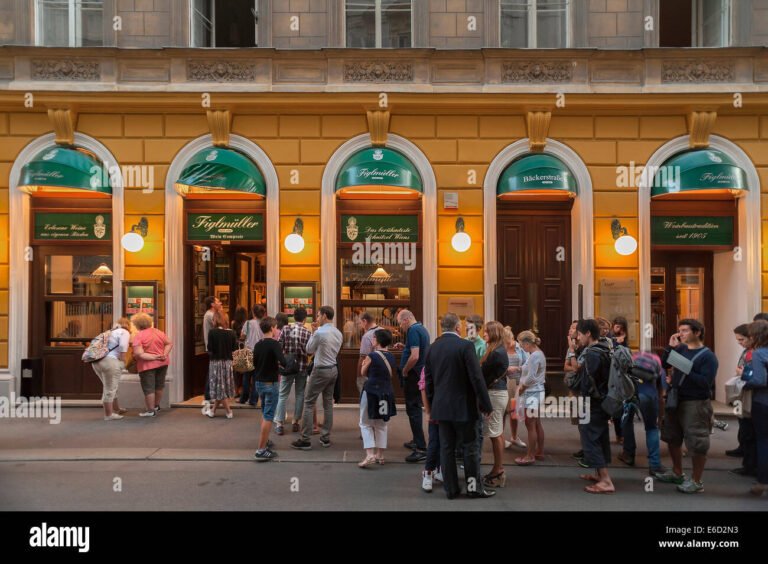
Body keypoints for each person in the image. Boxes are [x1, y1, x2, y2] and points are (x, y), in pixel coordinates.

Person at [425, 312, 494, 499]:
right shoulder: (465, 346)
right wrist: (486, 404)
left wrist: (431, 407)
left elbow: (429, 382)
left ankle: (451, 489)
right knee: (470, 449)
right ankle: (473, 488)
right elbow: (476, 378)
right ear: (458, 328)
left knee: (446, 448)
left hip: (442, 407)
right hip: (465, 407)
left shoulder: (432, 348)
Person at [655, 318, 719, 493]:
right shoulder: (682, 348)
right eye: (680, 330)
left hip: (695, 402)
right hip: (676, 399)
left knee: (697, 441)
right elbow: (665, 364)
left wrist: (684, 367)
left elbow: (705, 383)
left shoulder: (708, 356)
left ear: (697, 332)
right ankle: (677, 472)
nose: (680, 334)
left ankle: (697, 481)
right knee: (672, 436)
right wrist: (670, 347)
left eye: (685, 331)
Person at [292, 306, 343, 450]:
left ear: (325, 316)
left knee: (308, 402)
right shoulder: (338, 332)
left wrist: (314, 332)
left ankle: (305, 439)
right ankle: (325, 437)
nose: (317, 318)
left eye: (319, 315)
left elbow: (309, 349)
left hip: (320, 369)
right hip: (333, 368)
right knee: (328, 404)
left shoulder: (320, 332)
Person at [575, 318, 615, 494]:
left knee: (590, 438)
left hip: (592, 402)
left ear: (588, 333)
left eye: (579, 334)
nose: (577, 338)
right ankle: (600, 474)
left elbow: (588, 381)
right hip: (603, 401)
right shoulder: (605, 349)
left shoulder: (592, 353)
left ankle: (606, 480)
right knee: (600, 437)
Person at [617, 350, 667, 476]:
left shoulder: (632, 360)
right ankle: (654, 465)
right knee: (651, 428)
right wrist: (661, 416)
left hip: (631, 396)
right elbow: (661, 394)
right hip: (649, 396)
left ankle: (628, 455)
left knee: (627, 423)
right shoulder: (658, 363)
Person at [358, 329, 398, 468]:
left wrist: (364, 365)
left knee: (365, 423)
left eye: (374, 338)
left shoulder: (372, 355)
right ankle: (380, 455)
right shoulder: (391, 356)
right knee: (381, 424)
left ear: (378, 340)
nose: (372, 340)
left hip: (371, 392)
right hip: (386, 393)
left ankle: (369, 454)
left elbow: (363, 372)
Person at [395, 309, 430, 462]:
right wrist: (405, 347)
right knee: (414, 408)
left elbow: (415, 356)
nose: (401, 327)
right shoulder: (422, 329)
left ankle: (421, 448)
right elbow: (417, 351)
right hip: (419, 373)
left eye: (400, 323)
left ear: (406, 319)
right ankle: (417, 440)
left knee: (413, 409)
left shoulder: (413, 330)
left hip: (413, 375)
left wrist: (404, 370)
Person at [252, 317, 286, 462]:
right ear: (272, 328)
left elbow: (254, 363)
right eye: (276, 327)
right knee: (269, 415)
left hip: (259, 382)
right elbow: (283, 362)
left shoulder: (258, 344)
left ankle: (265, 441)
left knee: (265, 412)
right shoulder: (274, 344)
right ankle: (260, 450)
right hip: (270, 383)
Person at [274, 307, 312, 436]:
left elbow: (279, 346)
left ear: (293, 317)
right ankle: (295, 421)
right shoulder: (307, 332)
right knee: (300, 394)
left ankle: (279, 423)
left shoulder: (285, 329)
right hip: (301, 366)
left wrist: (283, 358)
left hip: (288, 366)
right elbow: (310, 351)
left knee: (282, 394)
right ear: (305, 318)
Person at [481, 321, 509, 488]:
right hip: (496, 392)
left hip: (495, 393)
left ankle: (498, 471)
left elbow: (484, 375)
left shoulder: (496, 353)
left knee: (495, 433)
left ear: (493, 333)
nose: (483, 334)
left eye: (486, 331)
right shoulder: (496, 350)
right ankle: (497, 469)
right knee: (496, 432)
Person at [727, 324, 757, 477]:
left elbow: (752, 374)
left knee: (748, 431)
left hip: (749, 396)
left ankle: (750, 466)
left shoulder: (754, 353)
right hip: (747, 395)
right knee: (746, 429)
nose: (740, 343)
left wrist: (742, 372)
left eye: (741, 339)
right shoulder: (749, 351)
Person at [131, 313, 173, 417]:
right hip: (163, 363)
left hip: (147, 366)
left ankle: (150, 411)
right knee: (159, 386)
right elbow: (169, 343)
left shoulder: (139, 336)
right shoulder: (158, 332)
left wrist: (154, 357)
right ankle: (156, 406)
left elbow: (139, 354)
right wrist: (164, 354)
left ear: (137, 324)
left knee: (148, 388)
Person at [515, 330, 546, 466]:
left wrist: (522, 388)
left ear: (527, 343)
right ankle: (539, 451)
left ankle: (530, 455)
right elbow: (527, 368)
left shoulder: (534, 356)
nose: (521, 347)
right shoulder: (537, 353)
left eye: (521, 344)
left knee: (530, 424)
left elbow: (532, 377)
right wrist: (517, 369)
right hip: (537, 391)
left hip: (532, 393)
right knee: (536, 423)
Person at [91, 317, 132, 420]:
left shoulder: (110, 332)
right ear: (128, 325)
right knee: (110, 388)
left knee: (110, 386)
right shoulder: (124, 332)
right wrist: (123, 361)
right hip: (110, 362)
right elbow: (123, 346)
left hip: (97, 361)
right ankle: (108, 415)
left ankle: (116, 408)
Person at [744, 320, 768, 495]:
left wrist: (744, 383)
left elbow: (759, 380)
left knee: (763, 442)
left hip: (763, 402)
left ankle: (763, 482)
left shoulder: (759, 353)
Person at [204, 311, 237, 419]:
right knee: (221, 387)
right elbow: (234, 349)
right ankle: (212, 411)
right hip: (227, 363)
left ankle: (228, 411)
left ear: (215, 320)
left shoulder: (212, 332)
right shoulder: (232, 333)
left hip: (216, 363)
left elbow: (210, 349)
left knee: (220, 388)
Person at [420, 365, 443, 492]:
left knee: (446, 443)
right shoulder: (428, 366)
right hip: (436, 408)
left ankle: (440, 469)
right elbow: (423, 387)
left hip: (449, 408)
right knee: (434, 442)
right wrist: (428, 411)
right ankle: (428, 472)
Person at [503, 326, 527, 449]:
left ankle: (514, 437)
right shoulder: (501, 348)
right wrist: (507, 369)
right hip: (504, 383)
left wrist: (518, 368)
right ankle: (500, 439)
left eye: (508, 342)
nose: (507, 344)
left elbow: (527, 364)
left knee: (514, 412)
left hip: (518, 384)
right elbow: (497, 366)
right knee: (502, 412)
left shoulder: (520, 348)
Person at [239, 304, 265, 406]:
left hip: (248, 351)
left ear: (253, 312)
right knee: (256, 377)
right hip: (260, 352)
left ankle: (244, 398)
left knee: (246, 376)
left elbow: (242, 336)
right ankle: (253, 399)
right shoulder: (264, 323)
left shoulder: (248, 323)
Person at [202, 296, 222, 413]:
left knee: (212, 372)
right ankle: (208, 397)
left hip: (213, 347)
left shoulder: (210, 314)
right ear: (212, 304)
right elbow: (220, 328)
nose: (220, 303)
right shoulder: (210, 315)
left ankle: (211, 396)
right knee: (212, 373)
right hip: (214, 348)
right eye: (218, 301)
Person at [357, 312, 379, 394]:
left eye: (360, 323)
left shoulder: (367, 336)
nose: (360, 325)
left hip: (371, 371)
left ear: (365, 321)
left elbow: (363, 357)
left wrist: (359, 376)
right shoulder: (383, 330)